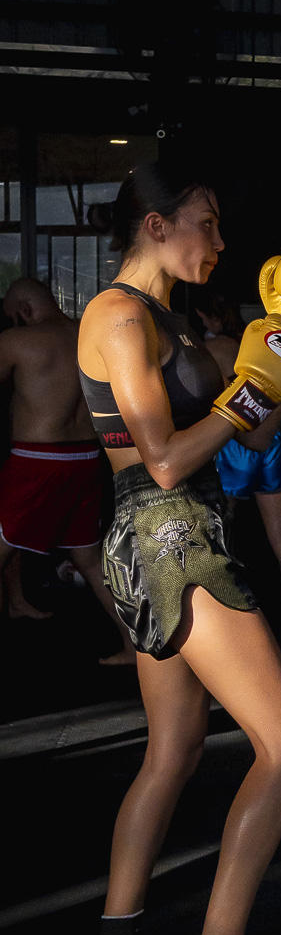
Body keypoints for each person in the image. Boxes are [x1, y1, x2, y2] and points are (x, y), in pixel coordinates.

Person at [78, 161, 281, 935]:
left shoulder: (174, 323)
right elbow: (163, 459)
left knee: (174, 750)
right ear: (156, 225)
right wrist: (246, 392)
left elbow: (249, 434)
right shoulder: (119, 315)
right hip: (169, 533)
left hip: (167, 532)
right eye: (208, 223)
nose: (222, 243)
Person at [0, 278, 134, 663]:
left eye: (13, 317)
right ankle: (134, 646)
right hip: (86, 459)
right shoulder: (92, 336)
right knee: (89, 559)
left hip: (36, 461)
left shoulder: (18, 340)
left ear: (24, 311)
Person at [198, 293, 281, 634]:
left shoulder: (212, 349)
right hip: (272, 444)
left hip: (234, 442)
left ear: (213, 318)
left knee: (220, 534)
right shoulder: (263, 349)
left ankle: (226, 621)